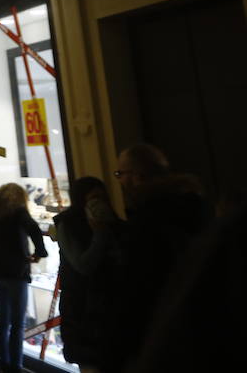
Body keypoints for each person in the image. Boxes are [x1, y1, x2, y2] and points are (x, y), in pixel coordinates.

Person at [109, 143, 210, 369]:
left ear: (138, 176)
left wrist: (115, 356)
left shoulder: (146, 222)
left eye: (120, 174)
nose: (120, 181)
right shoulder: (198, 209)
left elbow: (135, 295)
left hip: (160, 343)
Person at [0, 182, 47, 373]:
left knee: (3, 320)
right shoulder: (18, 211)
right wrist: (39, 252)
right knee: (18, 322)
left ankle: (2, 362)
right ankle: (16, 366)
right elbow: (34, 228)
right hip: (16, 271)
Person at [53, 176, 121, 372]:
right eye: (93, 198)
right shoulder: (68, 225)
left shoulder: (115, 222)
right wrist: (100, 234)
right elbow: (83, 265)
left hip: (110, 310)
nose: (98, 203)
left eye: (102, 197)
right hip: (83, 311)